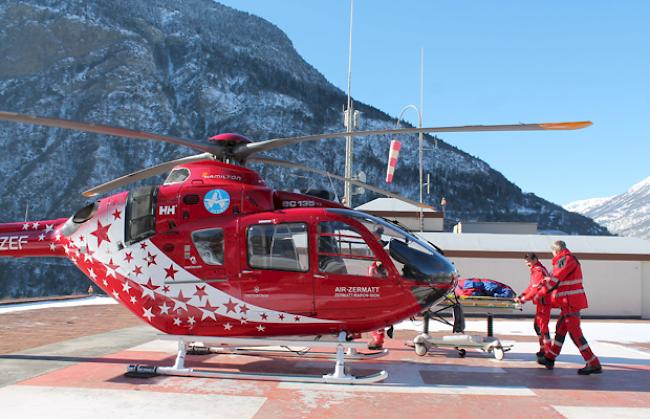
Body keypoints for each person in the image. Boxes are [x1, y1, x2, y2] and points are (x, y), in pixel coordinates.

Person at [537, 240, 602, 375]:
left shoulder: (564, 260)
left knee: (575, 333)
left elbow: (555, 280)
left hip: (570, 302)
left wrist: (542, 292)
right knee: (560, 330)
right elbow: (558, 279)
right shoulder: (567, 260)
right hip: (568, 302)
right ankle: (550, 357)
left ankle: (593, 362)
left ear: (556, 251)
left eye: (552, 253)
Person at [515, 253, 552, 358]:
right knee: (538, 326)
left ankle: (548, 352)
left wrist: (523, 299)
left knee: (542, 328)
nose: (527, 264)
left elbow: (535, 289)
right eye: (526, 262)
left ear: (535, 259)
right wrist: (522, 295)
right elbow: (531, 287)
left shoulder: (538, 271)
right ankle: (543, 349)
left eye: (529, 262)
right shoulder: (535, 270)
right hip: (541, 302)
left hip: (544, 302)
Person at [368, 226, 387, 350]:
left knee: (377, 315)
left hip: (378, 288)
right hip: (376, 287)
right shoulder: (378, 251)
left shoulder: (380, 252)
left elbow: (381, 272)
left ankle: (378, 340)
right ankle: (377, 338)